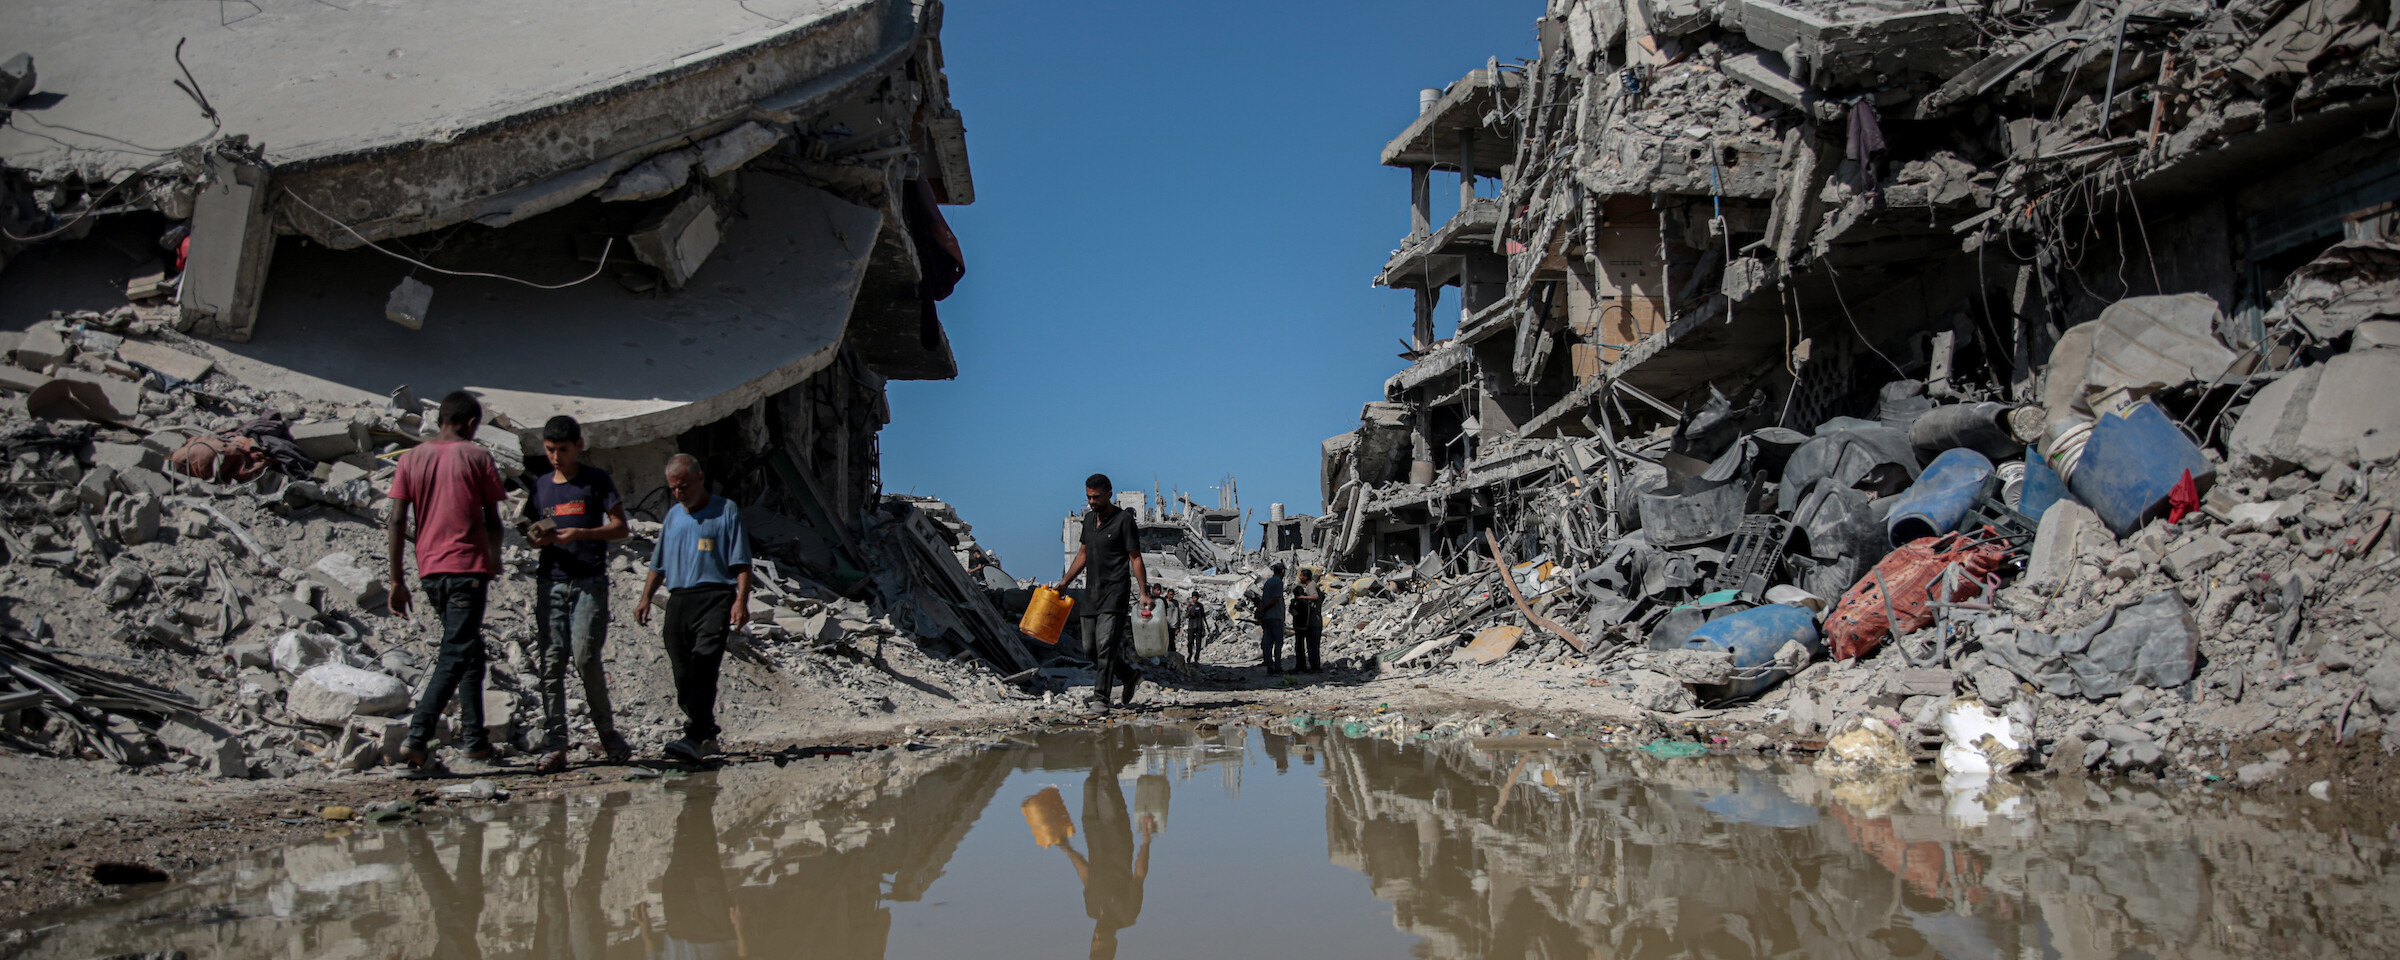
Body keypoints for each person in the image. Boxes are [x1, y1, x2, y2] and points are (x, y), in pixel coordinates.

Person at [388, 390, 508, 774]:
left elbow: (396, 521)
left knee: (470, 651)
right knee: (456, 652)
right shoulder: (476, 456)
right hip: (466, 569)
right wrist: (493, 559)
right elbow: (493, 519)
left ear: (440, 418)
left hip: (430, 570)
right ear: (471, 424)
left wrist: (395, 580)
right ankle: (418, 736)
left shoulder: (410, 458)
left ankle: (475, 741)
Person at [520, 416, 632, 773]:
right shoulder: (540, 487)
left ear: (579, 446)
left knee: (585, 657)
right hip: (550, 581)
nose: (556, 457)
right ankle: (556, 745)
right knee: (551, 664)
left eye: (563, 450)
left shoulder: (596, 481)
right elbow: (527, 527)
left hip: (589, 583)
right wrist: (535, 536)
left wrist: (580, 535)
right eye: (550, 450)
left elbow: (620, 527)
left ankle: (608, 735)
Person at [634, 454, 752, 763]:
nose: (679, 494)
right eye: (673, 488)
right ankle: (707, 730)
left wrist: (741, 601)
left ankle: (694, 736)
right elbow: (658, 562)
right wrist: (646, 597)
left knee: (704, 665)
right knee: (682, 671)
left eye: (684, 487)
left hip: (715, 596)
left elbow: (741, 563)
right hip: (680, 598)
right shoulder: (674, 516)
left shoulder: (726, 511)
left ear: (700, 479)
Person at [1054, 473, 1151, 709]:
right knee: (1090, 649)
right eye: (1089, 497)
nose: (1092, 502)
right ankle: (1129, 675)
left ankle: (1101, 699)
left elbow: (1135, 558)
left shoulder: (1124, 521)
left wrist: (1144, 592)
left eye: (1096, 497)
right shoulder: (1088, 520)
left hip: (1115, 592)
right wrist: (1065, 581)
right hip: (1092, 593)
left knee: (1106, 646)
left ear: (1109, 494)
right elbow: (1083, 554)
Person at [1290, 567, 1324, 673]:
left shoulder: (1310, 586)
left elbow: (1315, 597)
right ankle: (1314, 666)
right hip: (1312, 621)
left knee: (1313, 646)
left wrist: (1302, 598)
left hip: (1314, 622)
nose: (1300, 577)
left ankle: (1315, 667)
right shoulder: (1310, 586)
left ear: (1305, 577)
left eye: (1301, 575)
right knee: (1312, 645)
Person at [1256, 562, 1286, 674]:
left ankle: (1269, 666)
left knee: (1268, 643)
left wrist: (1262, 611)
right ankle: (1277, 667)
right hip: (1276, 616)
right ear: (1282, 571)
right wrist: (1265, 609)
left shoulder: (1268, 582)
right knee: (1278, 643)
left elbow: (1263, 599)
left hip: (1267, 617)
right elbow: (1275, 599)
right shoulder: (1278, 582)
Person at [1182, 593, 1207, 662]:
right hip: (1191, 626)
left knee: (1198, 643)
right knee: (1190, 642)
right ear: (1192, 598)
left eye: (1196, 597)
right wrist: (1189, 610)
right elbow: (1186, 616)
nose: (1195, 599)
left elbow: (1203, 616)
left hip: (1199, 626)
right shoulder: (1189, 606)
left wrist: (1206, 625)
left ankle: (1197, 657)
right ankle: (1190, 654)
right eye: (1194, 597)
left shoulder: (1200, 606)